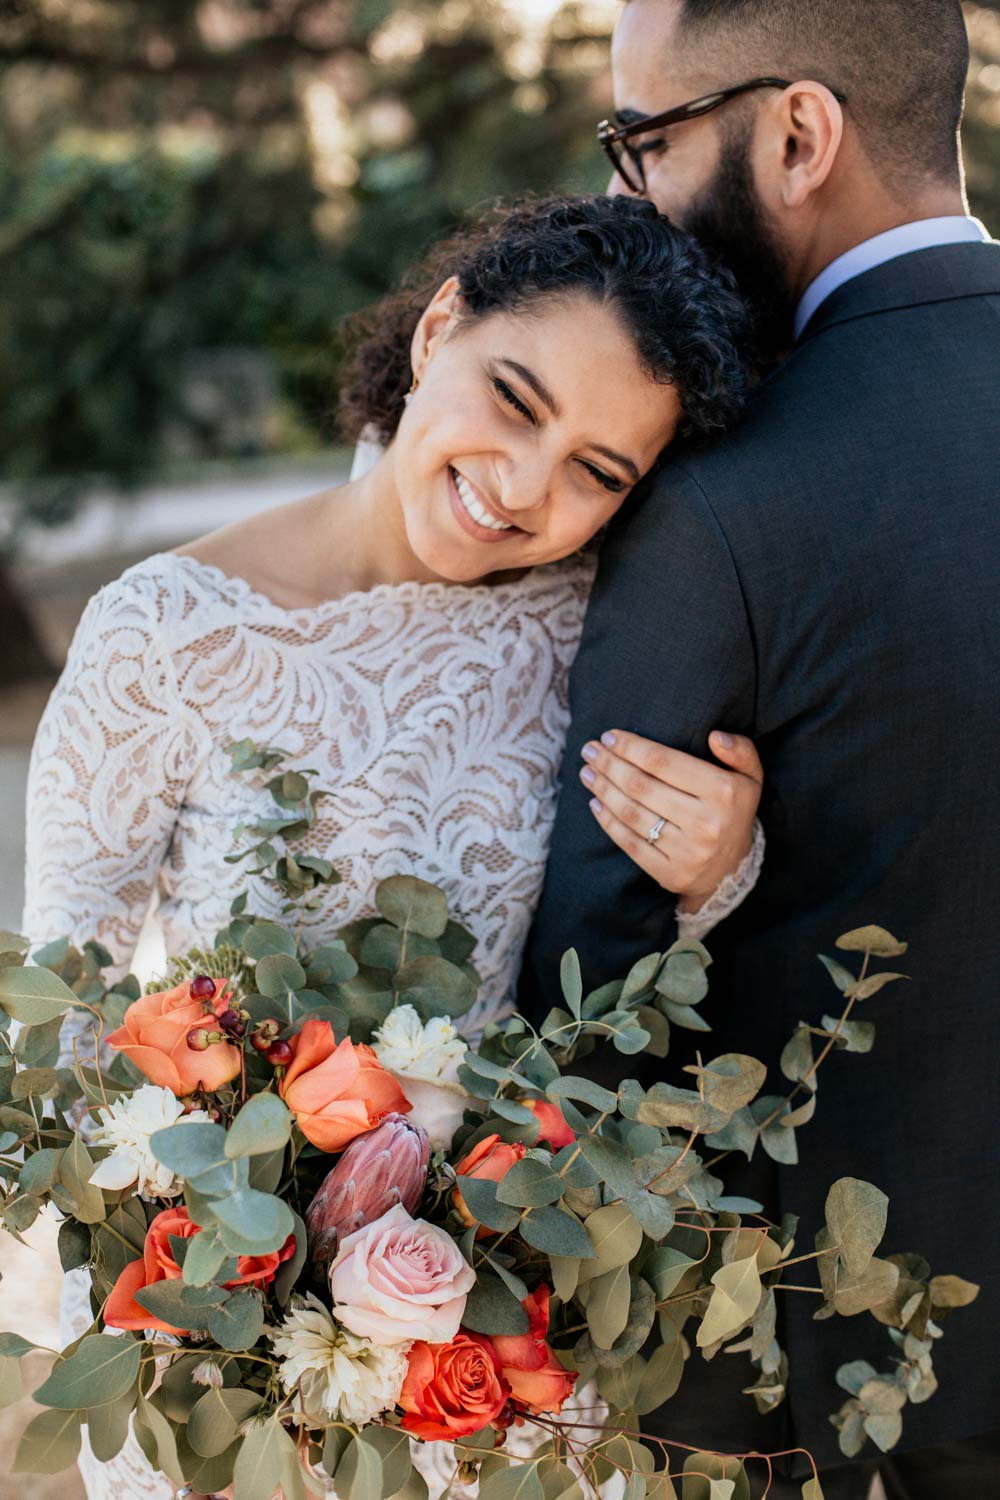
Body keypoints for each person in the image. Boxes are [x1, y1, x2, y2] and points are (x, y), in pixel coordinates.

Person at [22, 195, 762, 1499]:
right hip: (230, 1334)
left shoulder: (601, 632)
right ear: (438, 330)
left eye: (600, 469)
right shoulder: (166, 637)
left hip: (499, 1338)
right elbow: (58, 1027)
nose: (524, 490)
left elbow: (625, 948)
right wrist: (175, 1299)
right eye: (516, 400)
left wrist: (718, 866)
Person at [519, 3, 1000, 1497]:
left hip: (889, 1382)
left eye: (642, 142)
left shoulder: (726, 503)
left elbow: (597, 1004)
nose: (622, 197)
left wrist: (695, 1413)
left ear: (798, 134)